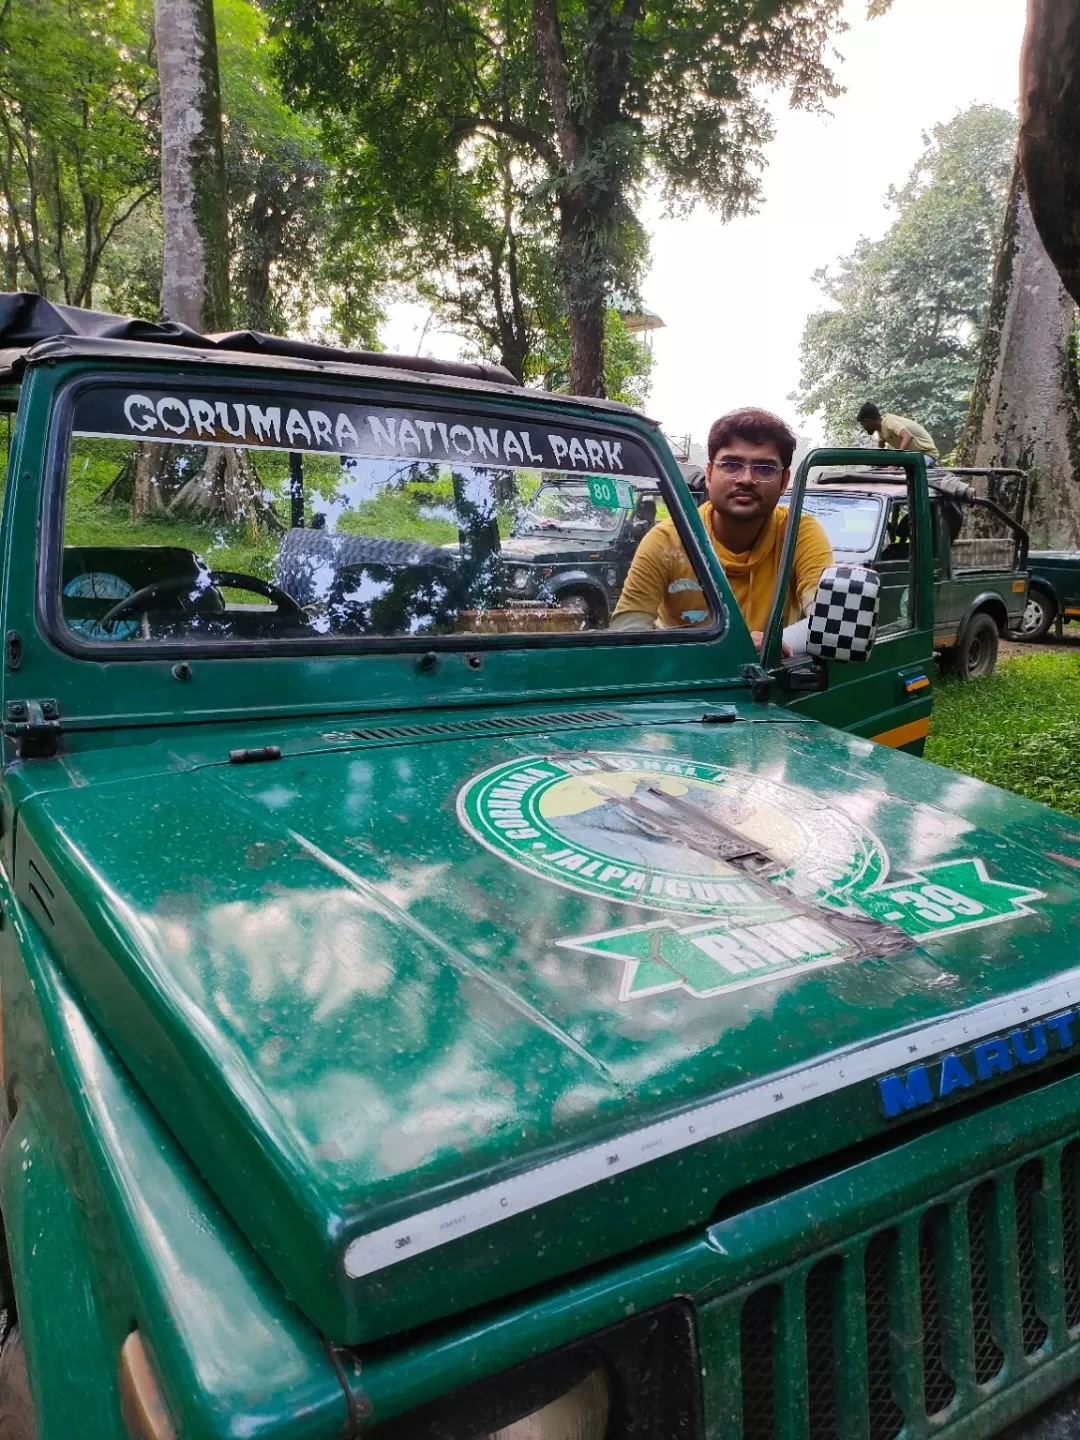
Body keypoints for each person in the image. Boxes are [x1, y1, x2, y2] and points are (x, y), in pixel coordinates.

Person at [610, 407, 833, 654]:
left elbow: (827, 618)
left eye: (765, 468)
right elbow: (626, 633)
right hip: (689, 682)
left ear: (784, 481)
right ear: (708, 474)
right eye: (731, 465)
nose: (746, 479)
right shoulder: (667, 540)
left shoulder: (798, 532)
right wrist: (733, 651)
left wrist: (774, 643)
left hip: (772, 685)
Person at [856, 402, 939, 463]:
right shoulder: (880, 428)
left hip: (926, 455)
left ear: (868, 421)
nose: (863, 427)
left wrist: (896, 464)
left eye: (863, 424)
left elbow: (908, 436)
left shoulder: (889, 421)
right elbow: (881, 446)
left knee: (906, 469)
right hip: (913, 457)